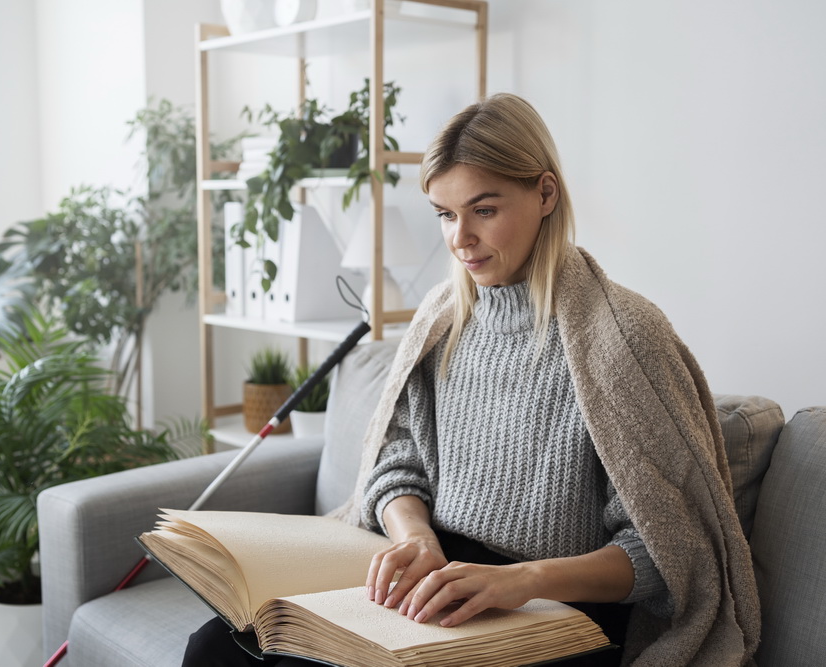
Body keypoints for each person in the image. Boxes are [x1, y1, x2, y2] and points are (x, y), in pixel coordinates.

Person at [184, 93, 761, 666]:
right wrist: (415, 538)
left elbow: (668, 550)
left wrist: (518, 582)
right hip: (442, 580)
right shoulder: (442, 318)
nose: (460, 238)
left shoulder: (625, 336)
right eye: (445, 213)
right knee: (216, 646)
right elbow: (397, 461)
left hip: (560, 609)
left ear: (545, 193)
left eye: (484, 210)